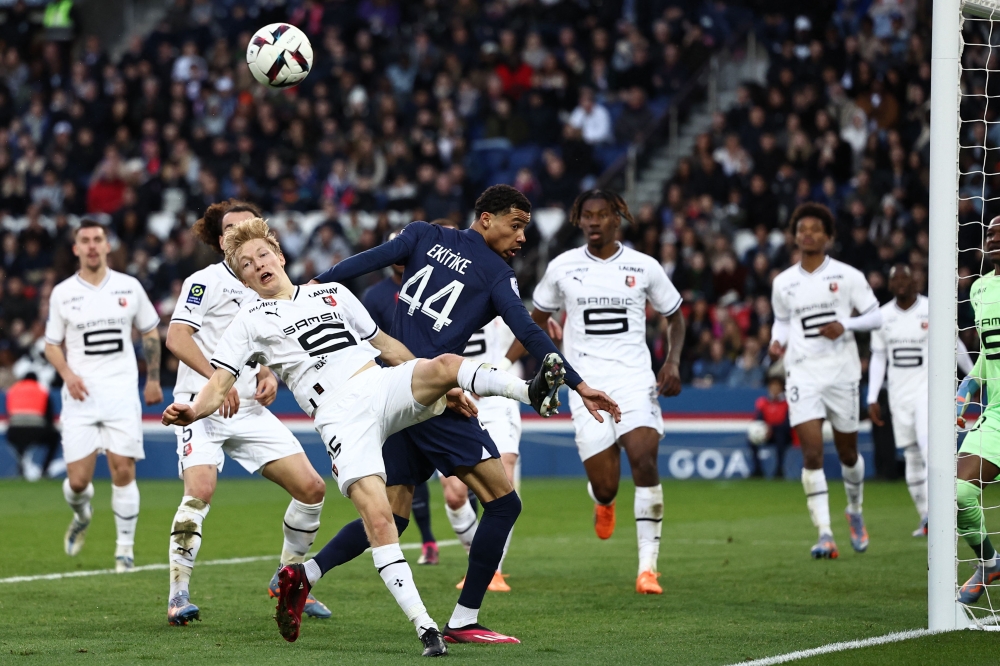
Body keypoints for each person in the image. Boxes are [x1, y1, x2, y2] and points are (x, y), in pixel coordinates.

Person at [161, 216, 566, 657]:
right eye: (245, 264)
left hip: (377, 385)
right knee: (382, 520)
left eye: (262, 254)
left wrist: (443, 389)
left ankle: (531, 391)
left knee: (447, 364)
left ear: (279, 256)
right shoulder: (249, 321)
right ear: (241, 278)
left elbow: (388, 347)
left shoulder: (331, 293)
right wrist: (194, 410)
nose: (257, 264)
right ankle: (427, 627)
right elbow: (220, 383)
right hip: (338, 416)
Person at [301, 184, 620, 644]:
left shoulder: (422, 235)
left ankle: (304, 575)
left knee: (396, 514)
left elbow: (368, 260)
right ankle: (464, 619)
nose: (522, 236)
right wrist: (580, 384)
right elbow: (528, 331)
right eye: (516, 224)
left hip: (389, 389)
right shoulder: (496, 274)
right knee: (504, 502)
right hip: (432, 398)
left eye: (526, 227)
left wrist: (319, 282)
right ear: (486, 219)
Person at [505, 189, 686, 595]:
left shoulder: (644, 267)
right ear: (578, 219)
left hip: (635, 380)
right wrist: (501, 365)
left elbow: (675, 316)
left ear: (616, 218)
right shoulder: (563, 267)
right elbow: (534, 320)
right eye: (586, 215)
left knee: (643, 457)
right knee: (606, 486)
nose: (592, 222)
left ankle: (647, 569)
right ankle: (604, 502)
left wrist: (671, 362)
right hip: (583, 384)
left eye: (601, 215)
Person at [163, 200, 332, 626]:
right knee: (199, 490)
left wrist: (267, 371)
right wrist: (214, 383)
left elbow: (264, 340)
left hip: (248, 407)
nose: (243, 235)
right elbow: (177, 337)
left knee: (312, 488)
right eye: (233, 229)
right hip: (200, 404)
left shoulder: (263, 283)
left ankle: (288, 580)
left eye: (250, 227)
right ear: (222, 241)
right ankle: (178, 595)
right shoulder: (203, 281)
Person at [44, 220, 163, 571]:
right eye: (85, 240)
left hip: (122, 392)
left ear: (108, 246)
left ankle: (124, 550)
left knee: (122, 469)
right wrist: (68, 374)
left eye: (98, 239)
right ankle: (82, 515)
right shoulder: (63, 293)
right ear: (76, 249)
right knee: (78, 481)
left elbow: (150, 331)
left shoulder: (129, 287)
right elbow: (51, 346)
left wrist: (153, 378)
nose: (92, 246)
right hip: (80, 396)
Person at [769, 202, 882, 559]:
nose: (808, 234)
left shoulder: (848, 276)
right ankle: (824, 533)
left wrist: (844, 325)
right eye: (802, 229)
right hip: (802, 372)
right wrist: (777, 340)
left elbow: (876, 316)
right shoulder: (783, 282)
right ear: (794, 235)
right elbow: (783, 320)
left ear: (829, 236)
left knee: (848, 453)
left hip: (842, 372)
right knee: (812, 452)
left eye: (816, 229)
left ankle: (855, 511)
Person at [869, 264, 974, 538]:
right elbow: (879, 357)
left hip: (928, 390)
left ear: (916, 282)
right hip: (898, 394)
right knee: (912, 455)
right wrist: (871, 395)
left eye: (907, 278)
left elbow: (955, 344)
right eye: (896, 279)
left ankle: (942, 514)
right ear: (890, 285)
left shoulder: (932, 308)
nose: (902, 283)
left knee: (929, 450)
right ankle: (926, 516)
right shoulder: (882, 317)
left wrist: (973, 373)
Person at [360, 236, 440, 567]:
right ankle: (427, 541)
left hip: (436, 384)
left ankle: (472, 548)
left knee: (462, 476)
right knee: (401, 474)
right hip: (391, 392)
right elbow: (366, 344)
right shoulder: (375, 295)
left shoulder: (435, 287)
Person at [445, 317, 522, 592]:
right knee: (454, 494)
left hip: (495, 399)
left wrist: (497, 371)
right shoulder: (432, 297)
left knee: (503, 482)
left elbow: (526, 331)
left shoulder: (488, 288)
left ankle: (493, 570)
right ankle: (475, 558)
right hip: (452, 399)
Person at [956, 217, 1000, 605]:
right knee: (957, 491)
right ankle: (988, 562)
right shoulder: (980, 289)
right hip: (998, 414)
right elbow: (990, 351)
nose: (995, 237)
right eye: (991, 233)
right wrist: (968, 384)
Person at [5, 371, 60, 481]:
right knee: (55, 438)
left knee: (20, 446)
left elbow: (9, 412)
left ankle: (21, 469)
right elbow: (48, 416)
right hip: (37, 430)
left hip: (14, 431)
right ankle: (44, 471)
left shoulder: (13, 390)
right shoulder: (41, 390)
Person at [748, 369, 795, 479]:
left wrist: (771, 428)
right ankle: (758, 469)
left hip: (783, 435)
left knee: (780, 437)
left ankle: (779, 469)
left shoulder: (787, 403)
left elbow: (787, 424)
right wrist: (763, 429)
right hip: (767, 434)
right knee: (751, 439)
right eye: (772, 386)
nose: (774, 389)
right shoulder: (763, 403)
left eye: (776, 386)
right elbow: (758, 419)